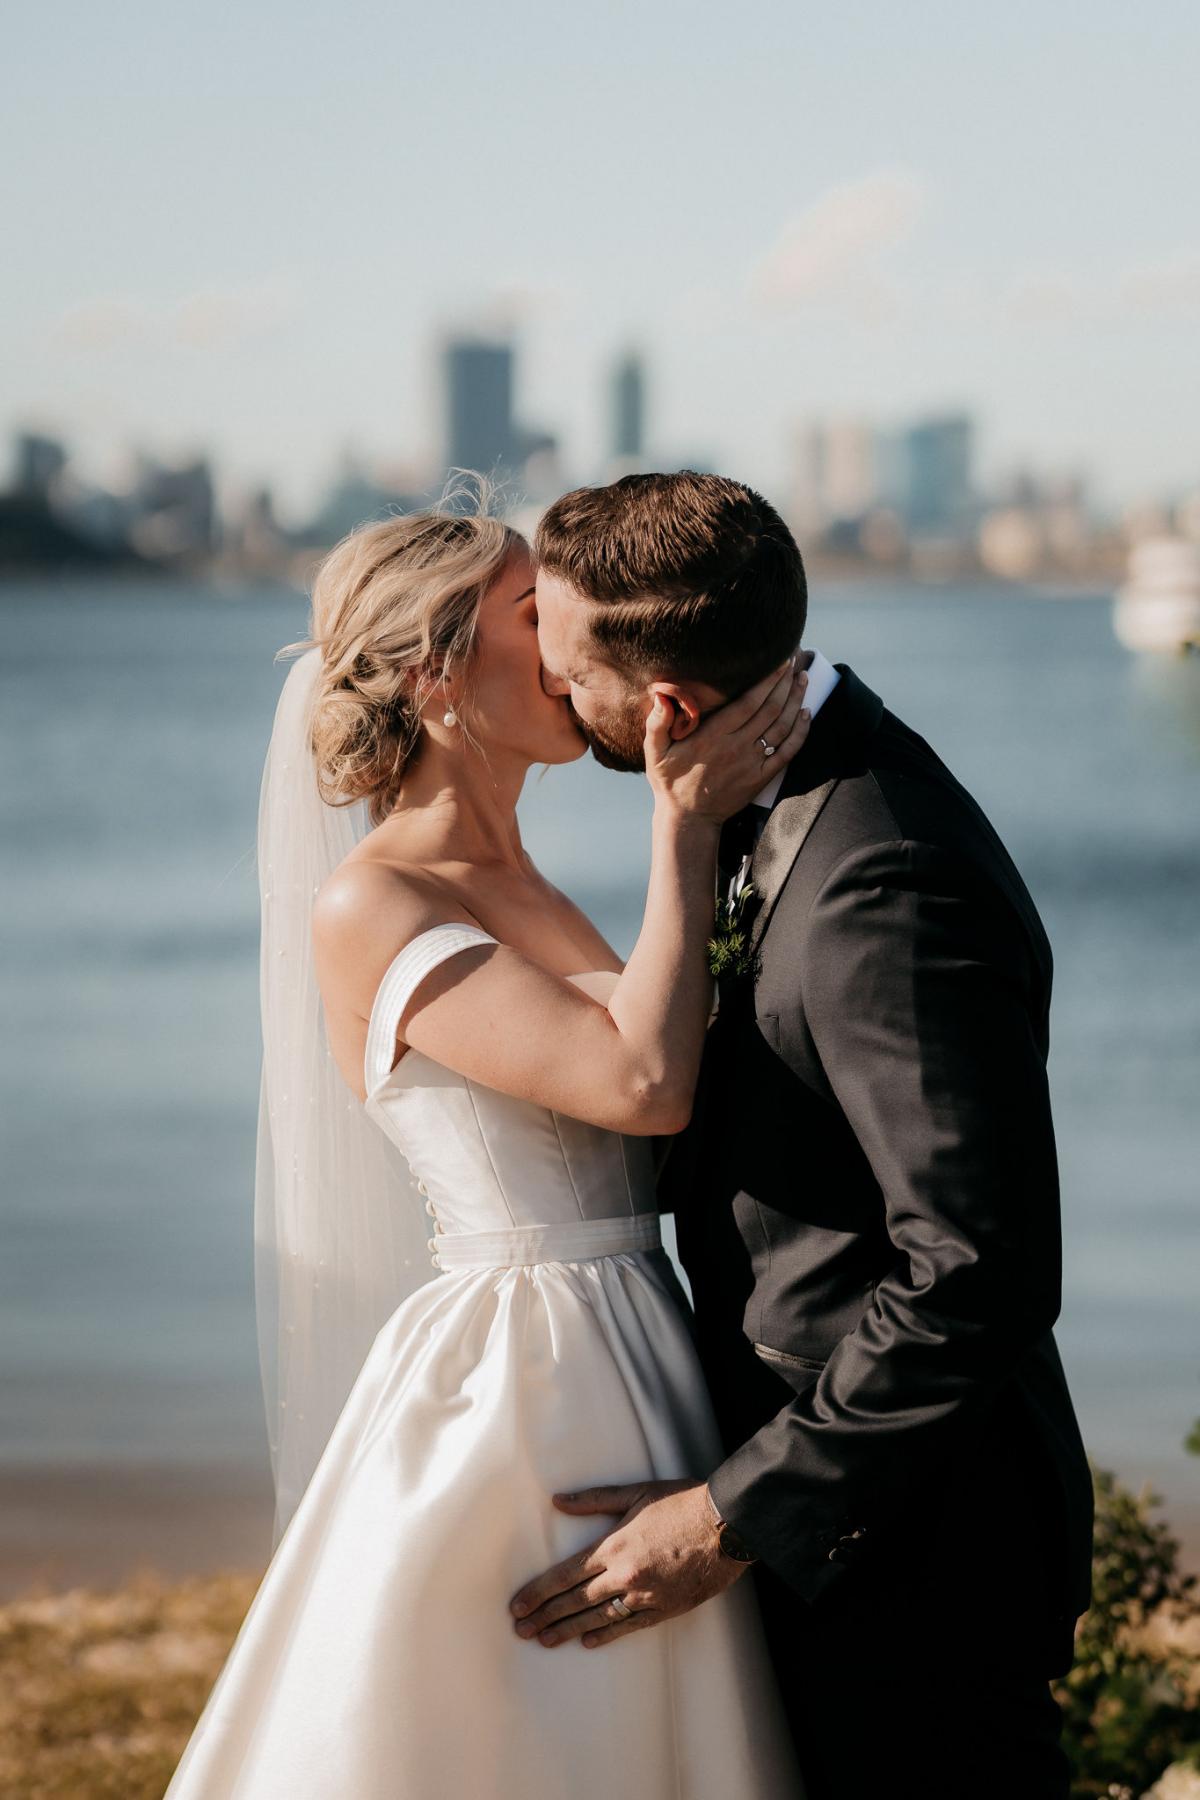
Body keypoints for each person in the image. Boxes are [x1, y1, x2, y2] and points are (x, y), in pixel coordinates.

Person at [164, 498, 810, 1798]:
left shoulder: (532, 885)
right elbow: (638, 1080)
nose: (574, 644)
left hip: (641, 1334)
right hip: (524, 1381)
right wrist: (681, 820)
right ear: (434, 671)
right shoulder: (377, 900)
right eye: (535, 617)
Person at [517, 470, 1095, 1800]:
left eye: (565, 676)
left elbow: (980, 1272)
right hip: (854, 1533)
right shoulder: (761, 798)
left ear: (664, 707)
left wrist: (730, 1521)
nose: (556, 697)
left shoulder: (878, 877)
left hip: (916, 1554)